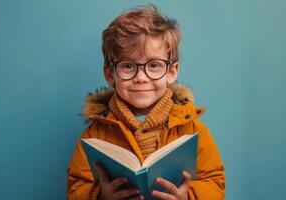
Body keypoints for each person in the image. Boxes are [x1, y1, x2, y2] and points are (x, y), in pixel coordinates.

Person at [67, 4, 225, 200]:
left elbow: (214, 181)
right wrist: (101, 196)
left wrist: (187, 197)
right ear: (110, 74)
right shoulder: (96, 134)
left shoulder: (192, 129)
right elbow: (76, 187)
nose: (141, 77)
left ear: (172, 72)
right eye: (127, 66)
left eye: (154, 65)